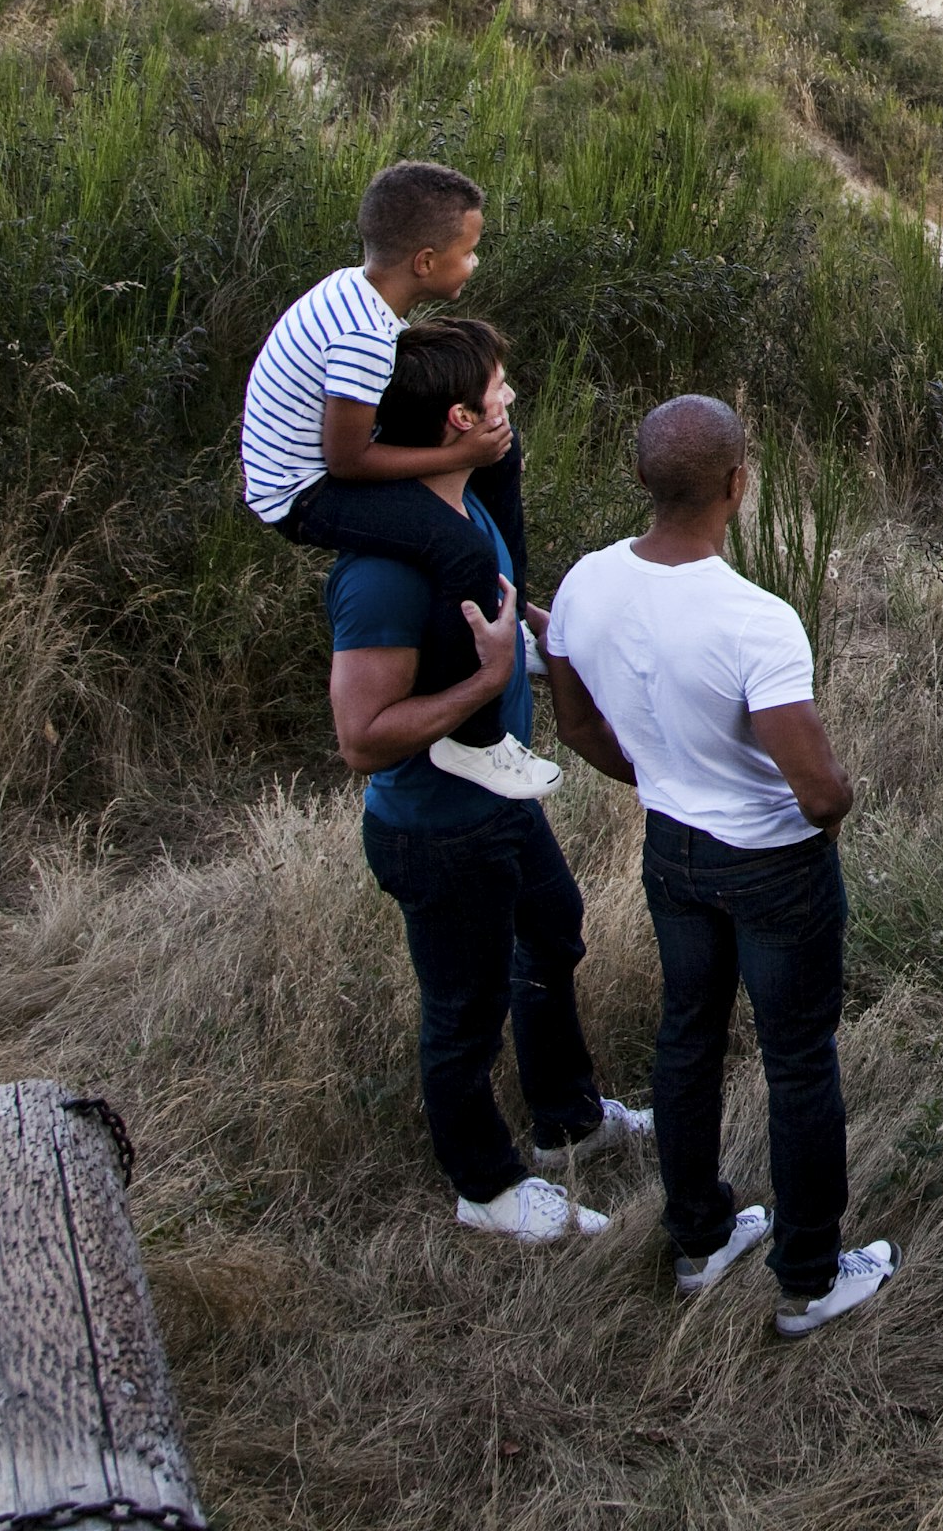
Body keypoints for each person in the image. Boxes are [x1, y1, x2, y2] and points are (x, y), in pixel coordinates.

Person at [543, 395, 898, 1336]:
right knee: (798, 1061)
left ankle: (700, 1239)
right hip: (773, 863)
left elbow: (577, 719)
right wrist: (828, 809)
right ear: (738, 486)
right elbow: (819, 791)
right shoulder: (756, 621)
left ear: (645, 480)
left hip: (673, 851)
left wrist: (653, 774)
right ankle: (811, 1278)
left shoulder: (585, 584)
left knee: (688, 1038)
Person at [329, 317, 650, 1241]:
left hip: (500, 802)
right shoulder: (386, 571)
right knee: (462, 1013)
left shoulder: (460, 512)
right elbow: (363, 737)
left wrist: (579, 641)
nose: (514, 400)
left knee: (552, 934)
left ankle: (567, 1120)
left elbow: (508, 615)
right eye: (501, 389)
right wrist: (480, 679)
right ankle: (488, 1189)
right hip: (435, 829)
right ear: (462, 415)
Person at [244, 159, 557, 799]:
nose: (474, 265)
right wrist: (452, 454)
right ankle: (473, 740)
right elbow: (346, 462)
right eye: (468, 253)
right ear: (424, 261)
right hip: (301, 493)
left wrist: (478, 448)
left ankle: (510, 620)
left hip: (323, 461)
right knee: (458, 546)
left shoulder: (360, 291)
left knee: (499, 450)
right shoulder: (365, 335)